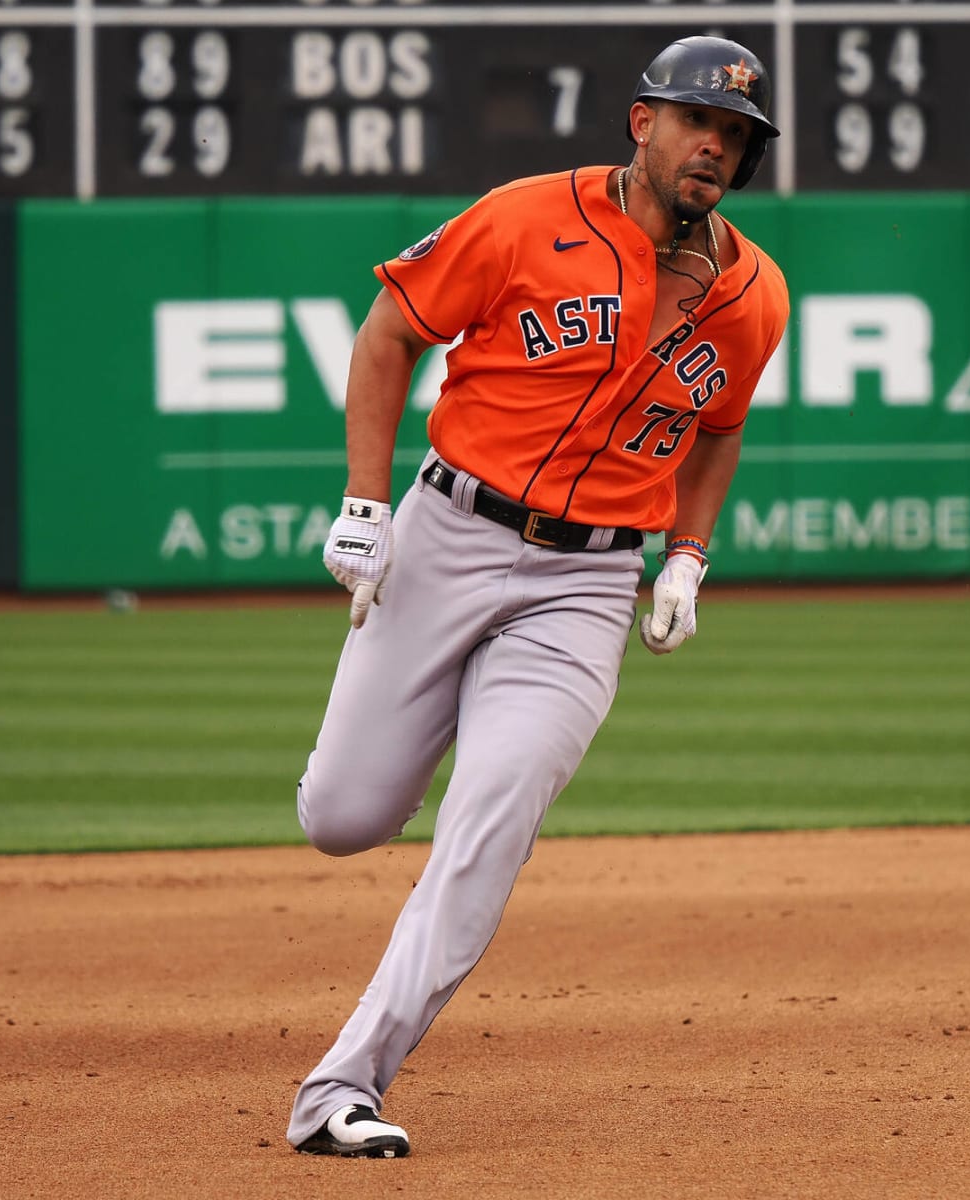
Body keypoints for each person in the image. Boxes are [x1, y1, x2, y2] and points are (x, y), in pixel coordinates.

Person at [285, 35, 790, 1159]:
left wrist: (689, 556)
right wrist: (365, 510)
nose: (716, 145)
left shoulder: (754, 294)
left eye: (738, 136)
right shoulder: (522, 217)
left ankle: (342, 1087)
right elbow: (389, 334)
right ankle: (405, 740)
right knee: (344, 817)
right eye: (698, 121)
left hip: (586, 581)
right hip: (449, 533)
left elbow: (721, 428)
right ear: (641, 122)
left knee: (493, 816)